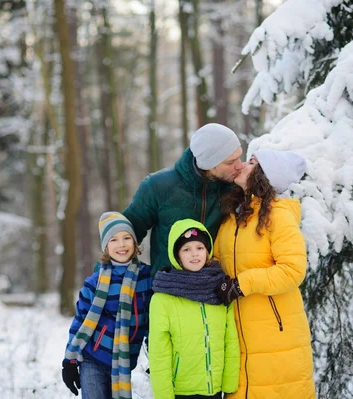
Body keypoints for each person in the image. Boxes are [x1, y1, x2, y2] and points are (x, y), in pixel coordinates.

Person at [214, 150, 315, 398]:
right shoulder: (233, 218)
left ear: (265, 175)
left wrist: (241, 284)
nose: (242, 165)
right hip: (238, 335)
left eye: (251, 163)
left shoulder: (279, 216)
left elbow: (292, 270)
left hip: (276, 337)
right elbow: (217, 260)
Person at [123, 123, 244, 276]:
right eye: (230, 162)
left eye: (239, 157)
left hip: (214, 291)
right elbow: (123, 236)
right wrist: (105, 281)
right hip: (167, 292)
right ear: (208, 164)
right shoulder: (158, 186)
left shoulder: (235, 187)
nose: (240, 166)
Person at [61, 212, 153, 399]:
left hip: (124, 361)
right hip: (93, 358)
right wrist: (69, 361)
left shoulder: (147, 278)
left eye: (127, 238)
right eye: (114, 240)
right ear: (105, 247)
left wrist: (156, 355)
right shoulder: (94, 283)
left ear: (135, 242)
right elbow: (80, 321)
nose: (121, 245)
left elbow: (153, 321)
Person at [149, 219, 240, 398]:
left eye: (199, 248)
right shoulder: (163, 298)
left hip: (215, 389)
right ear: (177, 256)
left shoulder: (220, 289)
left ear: (208, 251)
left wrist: (229, 384)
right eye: (186, 249)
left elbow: (231, 340)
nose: (194, 254)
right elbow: (159, 352)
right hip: (182, 391)